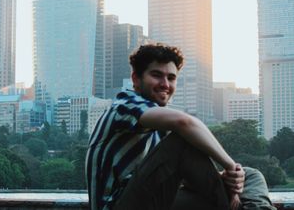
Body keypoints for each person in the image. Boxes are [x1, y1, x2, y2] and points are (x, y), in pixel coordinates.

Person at [86, 43, 276, 210]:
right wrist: (230, 166)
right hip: (119, 205)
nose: (165, 84)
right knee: (183, 140)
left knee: (250, 176)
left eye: (171, 78)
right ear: (136, 79)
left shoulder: (157, 128)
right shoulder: (125, 105)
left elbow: (186, 178)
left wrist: (230, 179)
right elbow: (184, 123)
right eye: (156, 75)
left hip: (155, 201)